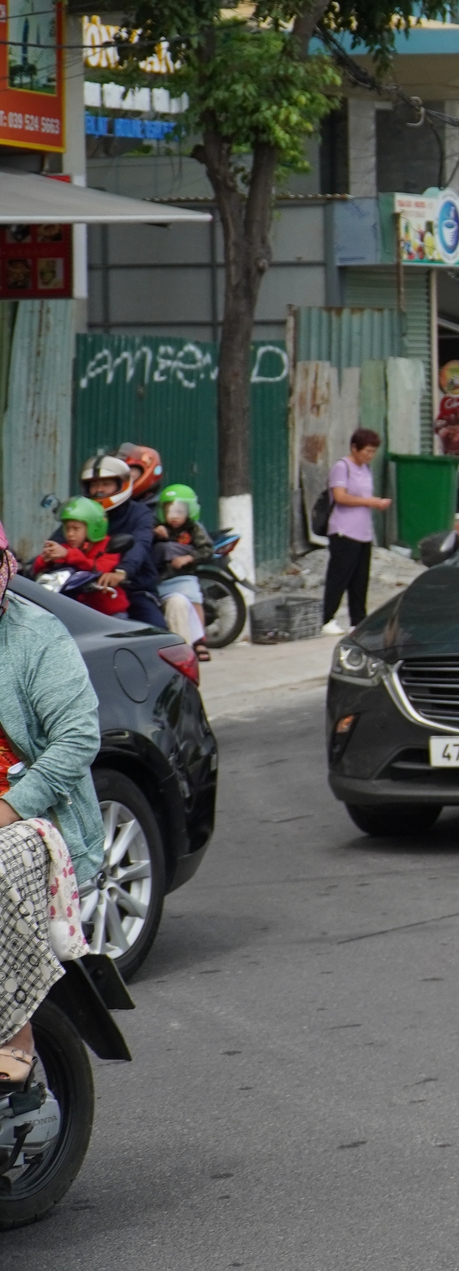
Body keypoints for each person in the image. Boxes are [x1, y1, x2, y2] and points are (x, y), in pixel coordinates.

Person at [0, 522, 108, 1101]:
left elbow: (76, 739)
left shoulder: (36, 634)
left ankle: (15, 1038)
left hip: (33, 816)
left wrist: (10, 806)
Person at [79, 454, 162, 631]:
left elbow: (140, 543)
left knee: (159, 634)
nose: (99, 490)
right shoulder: (83, 513)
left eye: (106, 484)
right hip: (85, 589)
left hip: (133, 587)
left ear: (121, 485)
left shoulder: (139, 513)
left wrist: (123, 571)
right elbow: (62, 538)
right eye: (94, 485)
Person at [322, 428, 393, 635]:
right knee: (339, 576)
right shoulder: (342, 467)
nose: (370, 456)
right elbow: (340, 496)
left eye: (373, 452)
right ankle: (327, 618)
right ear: (354, 448)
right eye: (367, 451)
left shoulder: (366, 469)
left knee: (360, 579)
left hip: (363, 532)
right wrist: (370, 501)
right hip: (344, 531)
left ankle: (357, 620)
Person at [33, 499, 130, 618]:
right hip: (79, 610)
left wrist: (67, 554)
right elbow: (38, 568)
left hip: (109, 614)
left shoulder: (109, 547)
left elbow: (98, 569)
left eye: (75, 528)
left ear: (93, 527)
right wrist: (45, 558)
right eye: (67, 528)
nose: (70, 534)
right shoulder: (69, 547)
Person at [155, 482, 213, 658]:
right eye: (169, 511)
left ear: (189, 511)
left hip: (185, 576)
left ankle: (199, 640)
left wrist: (188, 558)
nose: (174, 516)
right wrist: (155, 533)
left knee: (194, 600)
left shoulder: (194, 529)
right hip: (162, 579)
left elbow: (207, 550)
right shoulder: (158, 528)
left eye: (179, 511)